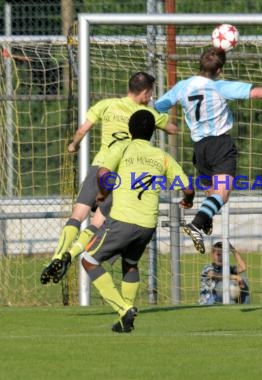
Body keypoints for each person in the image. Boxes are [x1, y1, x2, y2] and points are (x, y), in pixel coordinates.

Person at [154, 47, 262, 254]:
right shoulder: (219, 87)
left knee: (214, 195)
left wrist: (162, 124)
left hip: (199, 148)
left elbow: (158, 106)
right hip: (220, 145)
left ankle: (204, 220)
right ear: (219, 70)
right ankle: (197, 223)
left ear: (199, 64)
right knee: (222, 193)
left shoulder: (182, 87)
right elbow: (254, 92)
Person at [40, 71, 178, 285]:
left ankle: (58, 256)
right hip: (121, 173)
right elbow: (172, 129)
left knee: (77, 215)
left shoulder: (107, 105)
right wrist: (162, 110)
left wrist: (73, 145)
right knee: (97, 221)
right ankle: (73, 255)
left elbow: (83, 129)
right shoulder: (147, 113)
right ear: (144, 92)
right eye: (150, 94)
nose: (150, 97)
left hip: (100, 166)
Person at [80, 109, 194, 332]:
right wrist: (187, 200)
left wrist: (102, 194)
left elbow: (103, 174)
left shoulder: (122, 148)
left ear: (129, 130)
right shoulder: (161, 156)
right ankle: (126, 318)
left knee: (88, 259)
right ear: (153, 131)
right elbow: (188, 187)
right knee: (130, 264)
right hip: (147, 224)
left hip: (122, 219)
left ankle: (123, 308)